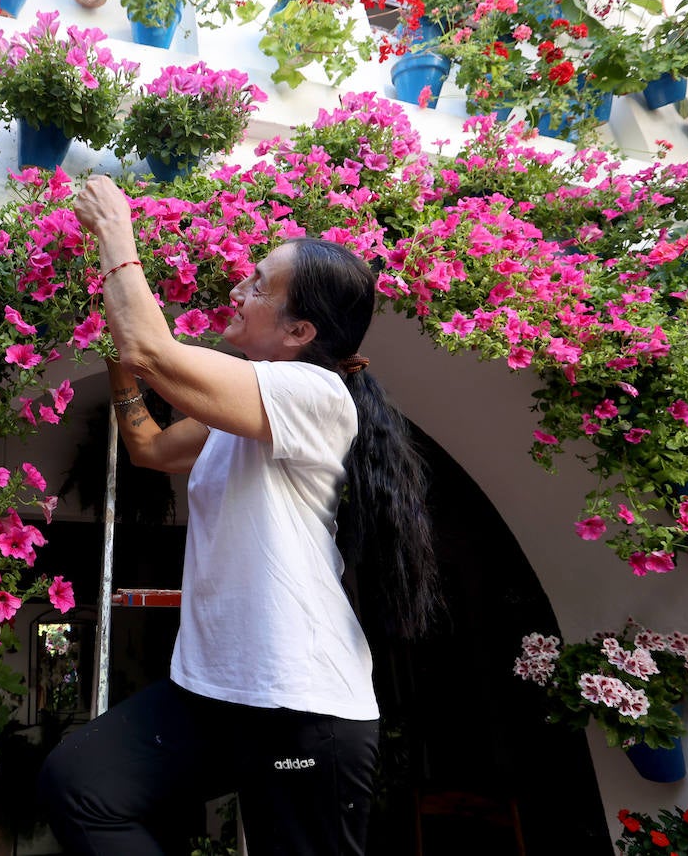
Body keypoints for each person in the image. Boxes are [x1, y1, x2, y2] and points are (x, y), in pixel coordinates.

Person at [37, 176, 443, 856]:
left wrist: (114, 228)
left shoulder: (314, 394)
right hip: (218, 691)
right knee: (82, 785)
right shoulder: (244, 410)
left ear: (299, 331)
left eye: (258, 286)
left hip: (302, 704)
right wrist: (119, 357)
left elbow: (157, 351)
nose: (238, 291)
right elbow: (150, 448)